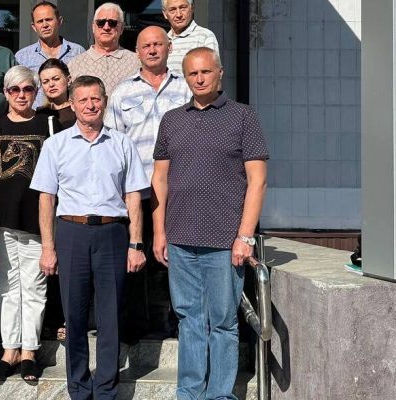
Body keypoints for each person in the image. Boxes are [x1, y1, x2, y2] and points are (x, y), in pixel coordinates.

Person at [151, 47, 268, 400]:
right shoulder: (172, 120)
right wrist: (159, 231)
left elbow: (258, 180)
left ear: (220, 73)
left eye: (205, 72)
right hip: (180, 238)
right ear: (185, 77)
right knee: (188, 320)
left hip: (225, 241)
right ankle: (188, 393)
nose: (199, 79)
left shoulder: (243, 117)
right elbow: (160, 179)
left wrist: (245, 236)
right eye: (192, 73)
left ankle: (219, 395)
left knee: (222, 322)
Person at [30, 75, 148, 400]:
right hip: (71, 233)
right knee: (75, 314)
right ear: (72, 104)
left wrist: (136, 243)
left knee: (110, 315)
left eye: (95, 98)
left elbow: (134, 195)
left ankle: (107, 389)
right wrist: (48, 246)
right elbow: (46, 199)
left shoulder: (122, 143)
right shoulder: (56, 145)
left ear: (104, 102)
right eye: (83, 100)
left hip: (113, 233)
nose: (90, 105)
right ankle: (79, 389)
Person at [105, 25, 191, 341]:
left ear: (169, 48)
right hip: (136, 189)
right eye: (146, 46)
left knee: (176, 256)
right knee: (135, 253)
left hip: (179, 187)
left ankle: (177, 320)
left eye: (158, 44)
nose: (152, 50)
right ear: (137, 52)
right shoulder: (122, 92)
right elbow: (112, 143)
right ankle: (135, 326)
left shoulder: (186, 89)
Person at [0, 66, 61, 383]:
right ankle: (9, 350)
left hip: (37, 222)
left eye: (28, 89)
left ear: (36, 91)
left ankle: (29, 351)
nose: (22, 95)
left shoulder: (49, 125)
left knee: (35, 289)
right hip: (2, 222)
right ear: (6, 93)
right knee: (6, 289)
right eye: (15, 90)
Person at [15, 1, 85, 107]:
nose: (45, 25)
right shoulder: (22, 57)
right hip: (36, 115)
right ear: (34, 26)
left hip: (70, 114)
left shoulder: (77, 52)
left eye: (48, 19)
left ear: (59, 21)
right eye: (40, 21)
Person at [67, 3, 140, 98]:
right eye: (101, 23)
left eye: (112, 23)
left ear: (121, 28)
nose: (106, 27)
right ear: (93, 27)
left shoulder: (136, 62)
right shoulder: (75, 64)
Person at [162, 0, 220, 73]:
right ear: (165, 14)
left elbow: (211, 73)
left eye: (183, 8)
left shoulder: (205, 36)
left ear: (192, 8)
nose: (178, 15)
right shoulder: (162, 41)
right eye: (172, 10)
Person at [36, 58, 76, 128]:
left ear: (68, 80)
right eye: (45, 82)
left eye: (56, 79)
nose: (51, 84)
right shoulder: (39, 114)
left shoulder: (78, 109)